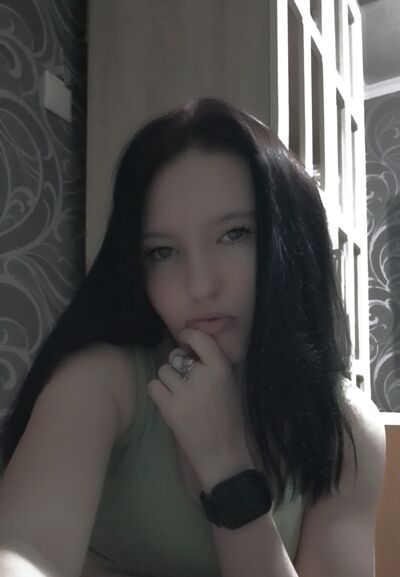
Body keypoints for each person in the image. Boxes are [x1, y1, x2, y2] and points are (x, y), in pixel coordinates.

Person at [0, 97, 385, 577]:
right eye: (163, 252)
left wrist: (227, 470)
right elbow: (24, 553)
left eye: (234, 234)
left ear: (291, 239)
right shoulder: (103, 383)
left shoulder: (345, 429)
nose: (200, 286)